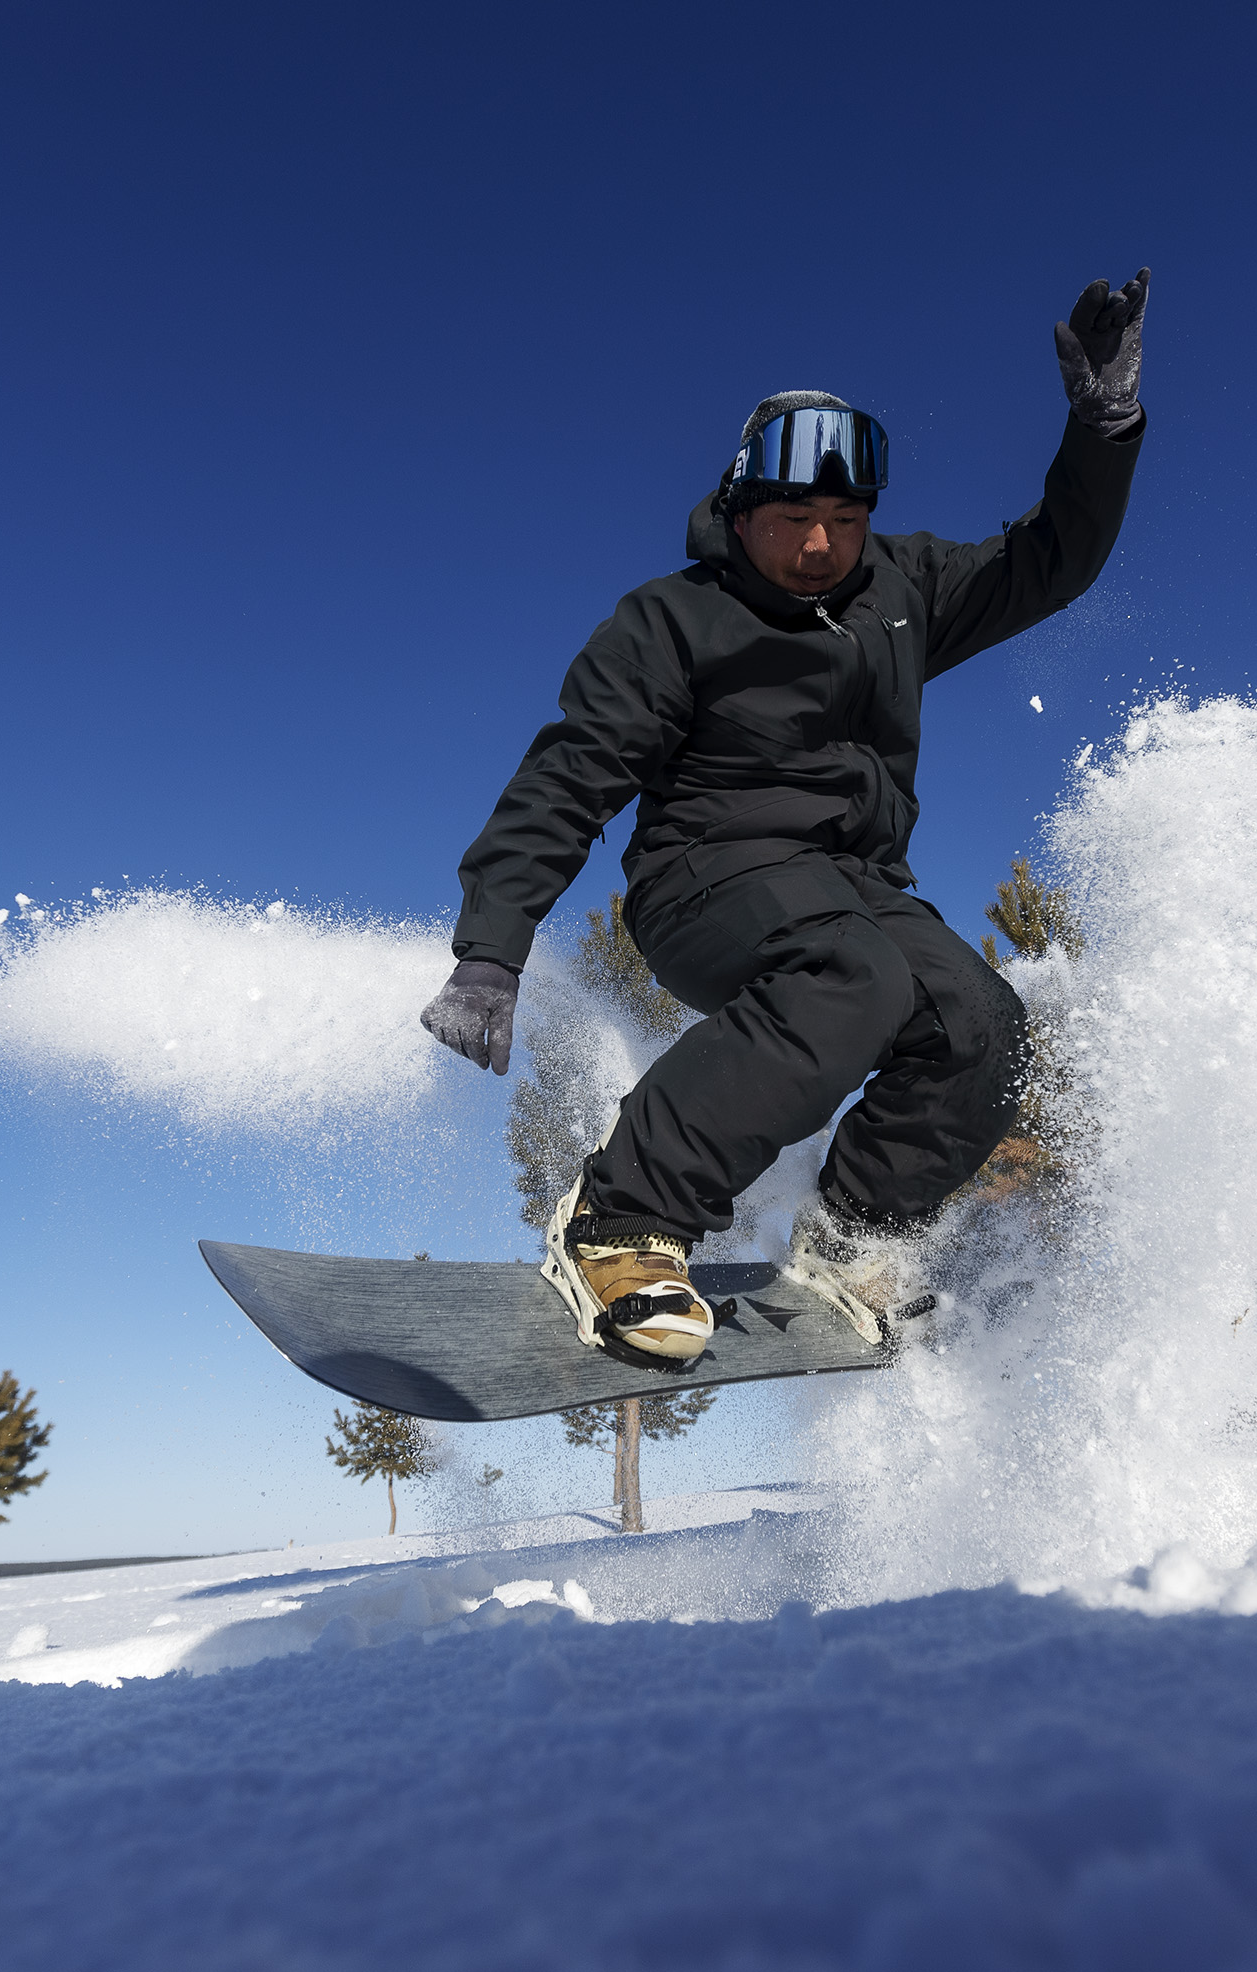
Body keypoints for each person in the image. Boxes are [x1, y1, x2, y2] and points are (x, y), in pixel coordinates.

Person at [421, 271, 1151, 1363]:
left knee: (982, 1023)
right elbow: (571, 773)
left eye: (845, 520)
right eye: (795, 520)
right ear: (741, 507)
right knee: (853, 974)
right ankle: (617, 1219)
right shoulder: (675, 619)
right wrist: (491, 950)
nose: (821, 545)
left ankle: (856, 1232)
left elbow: (1053, 559)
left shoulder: (905, 588)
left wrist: (1105, 425)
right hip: (703, 879)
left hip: (857, 888)